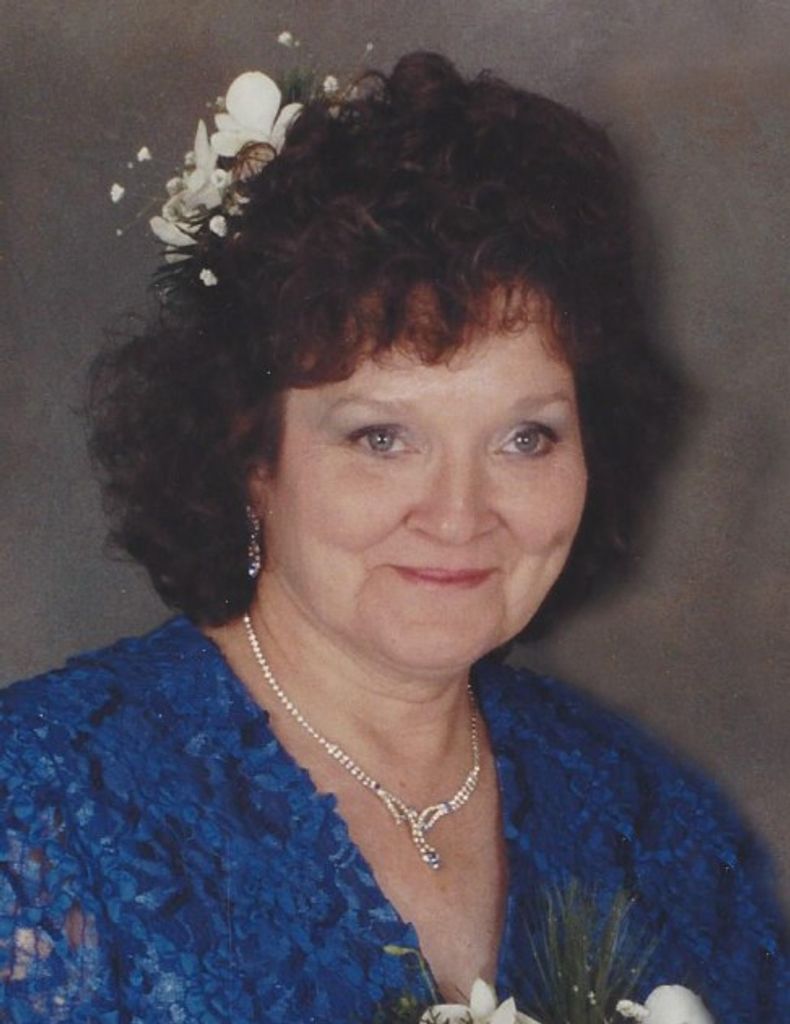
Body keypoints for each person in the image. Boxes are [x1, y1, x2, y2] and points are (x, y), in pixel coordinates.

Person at [0, 51, 786, 1023]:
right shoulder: (37, 810)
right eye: (382, 438)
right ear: (249, 454)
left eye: (525, 438)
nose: (459, 513)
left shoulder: (659, 833)